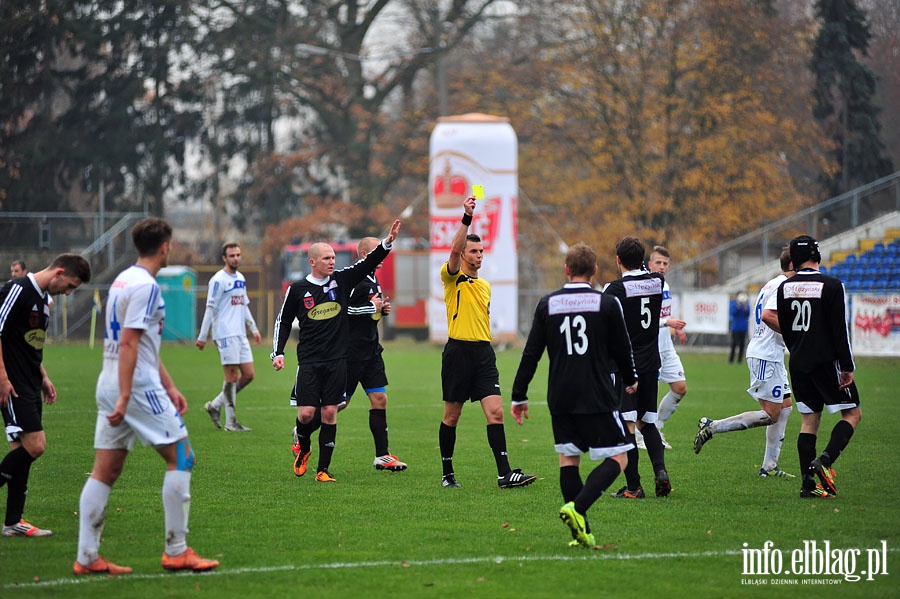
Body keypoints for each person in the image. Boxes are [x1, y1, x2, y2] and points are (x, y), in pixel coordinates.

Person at [74, 217, 219, 575]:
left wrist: (169, 386)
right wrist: (127, 395)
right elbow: (130, 343)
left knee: (106, 470)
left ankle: (87, 557)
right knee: (182, 456)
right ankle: (176, 550)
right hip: (133, 385)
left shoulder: (123, 280)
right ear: (165, 247)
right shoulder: (146, 287)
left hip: (112, 381)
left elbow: (142, 344)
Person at [511, 243, 637, 548]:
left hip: (560, 394)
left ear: (566, 270)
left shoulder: (547, 303)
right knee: (620, 456)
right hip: (596, 393)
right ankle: (578, 508)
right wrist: (632, 378)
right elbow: (622, 348)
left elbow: (531, 353)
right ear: (594, 271)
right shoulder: (606, 303)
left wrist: (518, 394)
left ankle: (581, 533)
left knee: (569, 460)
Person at [273, 220, 402, 483]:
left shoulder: (341, 281)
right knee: (307, 413)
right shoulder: (298, 289)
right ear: (312, 262)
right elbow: (283, 321)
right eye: (326, 258)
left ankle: (323, 470)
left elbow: (366, 263)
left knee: (332, 411)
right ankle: (303, 444)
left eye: (333, 257)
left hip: (339, 359)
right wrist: (278, 352)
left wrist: (387, 243)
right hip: (309, 360)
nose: (332, 262)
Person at [438, 196, 535, 489]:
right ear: (463, 254)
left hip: (483, 353)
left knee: (496, 411)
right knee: (452, 415)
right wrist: (466, 218)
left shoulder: (485, 285)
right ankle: (447, 474)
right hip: (457, 352)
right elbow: (454, 249)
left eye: (481, 250)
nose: (479, 255)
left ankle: (504, 474)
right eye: (474, 251)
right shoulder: (451, 278)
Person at [0, 254, 91, 537]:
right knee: (36, 445)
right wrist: (2, 377)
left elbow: (30, 346)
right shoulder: (17, 290)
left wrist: (44, 377)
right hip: (11, 382)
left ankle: (13, 521)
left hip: (29, 382)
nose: (68, 292)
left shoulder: (44, 303)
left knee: (21, 449)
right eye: (70, 286)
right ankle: (13, 520)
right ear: (59, 272)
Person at [693, 248, 796, 478]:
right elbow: (768, 316)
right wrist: (794, 333)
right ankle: (713, 425)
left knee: (786, 407)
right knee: (771, 413)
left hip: (773, 354)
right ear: (794, 265)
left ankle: (769, 466)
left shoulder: (772, 283)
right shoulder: (781, 286)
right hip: (765, 355)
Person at [776, 235, 861, 499]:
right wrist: (847, 366)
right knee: (852, 414)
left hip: (799, 363)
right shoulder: (833, 285)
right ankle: (825, 460)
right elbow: (840, 331)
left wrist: (798, 351)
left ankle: (807, 485)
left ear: (794, 259)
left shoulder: (785, 288)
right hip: (827, 362)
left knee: (808, 422)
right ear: (817, 255)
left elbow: (787, 330)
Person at [602, 236, 670, 498]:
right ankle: (661, 472)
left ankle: (633, 487)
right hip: (651, 364)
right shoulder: (658, 281)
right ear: (643, 259)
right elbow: (653, 277)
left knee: (628, 425)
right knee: (648, 422)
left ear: (618, 260)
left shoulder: (614, 288)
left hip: (626, 367)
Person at [197, 242, 262, 432]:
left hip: (240, 334)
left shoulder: (240, 278)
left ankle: (215, 405)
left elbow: (244, 305)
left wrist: (254, 328)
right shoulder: (218, 280)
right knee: (232, 376)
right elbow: (210, 308)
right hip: (225, 333)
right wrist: (203, 336)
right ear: (224, 258)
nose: (236, 258)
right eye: (232, 255)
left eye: (238, 255)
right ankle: (231, 422)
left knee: (249, 374)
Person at [646, 246, 687, 449]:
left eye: (665, 263)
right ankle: (640, 434)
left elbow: (664, 314)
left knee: (680, 388)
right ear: (649, 264)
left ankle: (657, 428)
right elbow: (644, 321)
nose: (662, 266)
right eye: (658, 263)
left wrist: (675, 328)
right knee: (646, 395)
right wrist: (667, 323)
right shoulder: (645, 286)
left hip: (666, 347)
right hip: (649, 348)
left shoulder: (665, 285)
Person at [729, 292, 751, 363]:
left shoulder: (746, 305)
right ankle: (731, 360)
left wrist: (745, 309)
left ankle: (739, 360)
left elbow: (748, 314)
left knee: (742, 345)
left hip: (743, 328)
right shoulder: (734, 304)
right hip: (735, 328)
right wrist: (737, 308)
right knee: (734, 344)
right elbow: (733, 313)